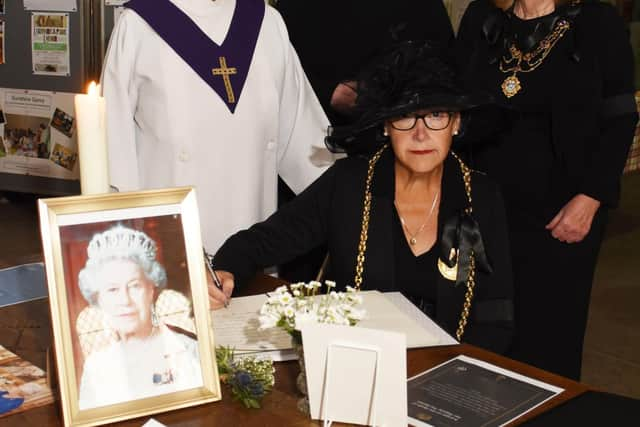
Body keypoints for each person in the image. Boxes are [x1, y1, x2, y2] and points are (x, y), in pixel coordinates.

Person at [211, 43, 515, 354]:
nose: (421, 134)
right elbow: (258, 244)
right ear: (386, 126)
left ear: (456, 123)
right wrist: (225, 270)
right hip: (356, 363)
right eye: (405, 116)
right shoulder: (348, 184)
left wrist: (459, 376)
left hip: (447, 372)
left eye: (436, 115)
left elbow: (496, 315)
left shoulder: (482, 196)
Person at [456, 0, 638, 379]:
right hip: (484, 208)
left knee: (547, 338)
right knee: (479, 330)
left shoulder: (595, 21)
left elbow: (621, 116)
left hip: (562, 212)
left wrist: (592, 197)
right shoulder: (481, 17)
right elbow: (456, 102)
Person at [101, 0, 334, 266]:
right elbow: (113, 153)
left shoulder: (266, 22)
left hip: (252, 254)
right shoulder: (138, 25)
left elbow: (309, 148)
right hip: (168, 256)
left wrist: (362, 201)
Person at [76, 225, 202, 410]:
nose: (124, 300)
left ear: (151, 289)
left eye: (134, 286)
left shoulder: (189, 351)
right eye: (112, 289)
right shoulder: (96, 366)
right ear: (99, 299)